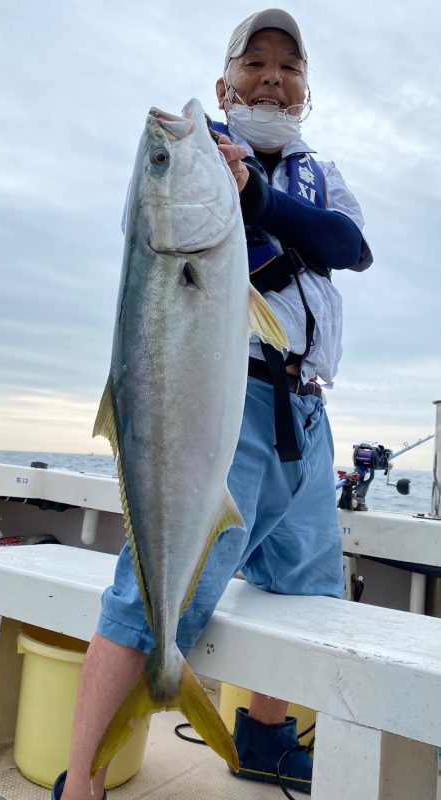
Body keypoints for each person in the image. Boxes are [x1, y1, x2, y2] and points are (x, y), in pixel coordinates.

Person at [52, 8, 372, 799]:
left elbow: (349, 248)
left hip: (307, 415)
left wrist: (258, 197)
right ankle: (83, 780)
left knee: (306, 585)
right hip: (229, 403)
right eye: (253, 63)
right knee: (154, 591)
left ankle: (264, 736)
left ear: (305, 90)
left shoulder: (316, 176)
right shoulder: (204, 167)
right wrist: (221, 183)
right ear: (221, 84)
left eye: (288, 66)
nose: (271, 76)